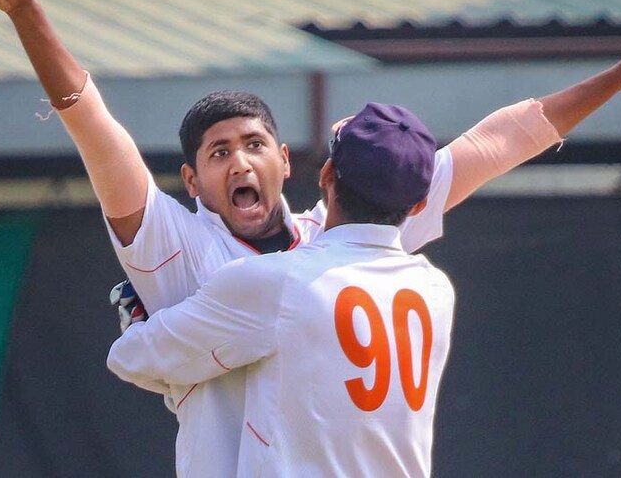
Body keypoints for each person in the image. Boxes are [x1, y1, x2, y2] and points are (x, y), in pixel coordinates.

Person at [0, 0, 621, 475]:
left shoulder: (330, 242)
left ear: (296, 165)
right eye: (219, 153)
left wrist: (140, 337)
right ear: (190, 182)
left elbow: (494, 143)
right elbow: (94, 126)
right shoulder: (191, 243)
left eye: (254, 144)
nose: (239, 162)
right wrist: (27, 15)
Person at [109, 103, 453, 477]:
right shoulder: (435, 288)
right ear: (419, 205)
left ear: (326, 174)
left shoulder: (281, 281)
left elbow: (131, 358)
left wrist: (146, 327)